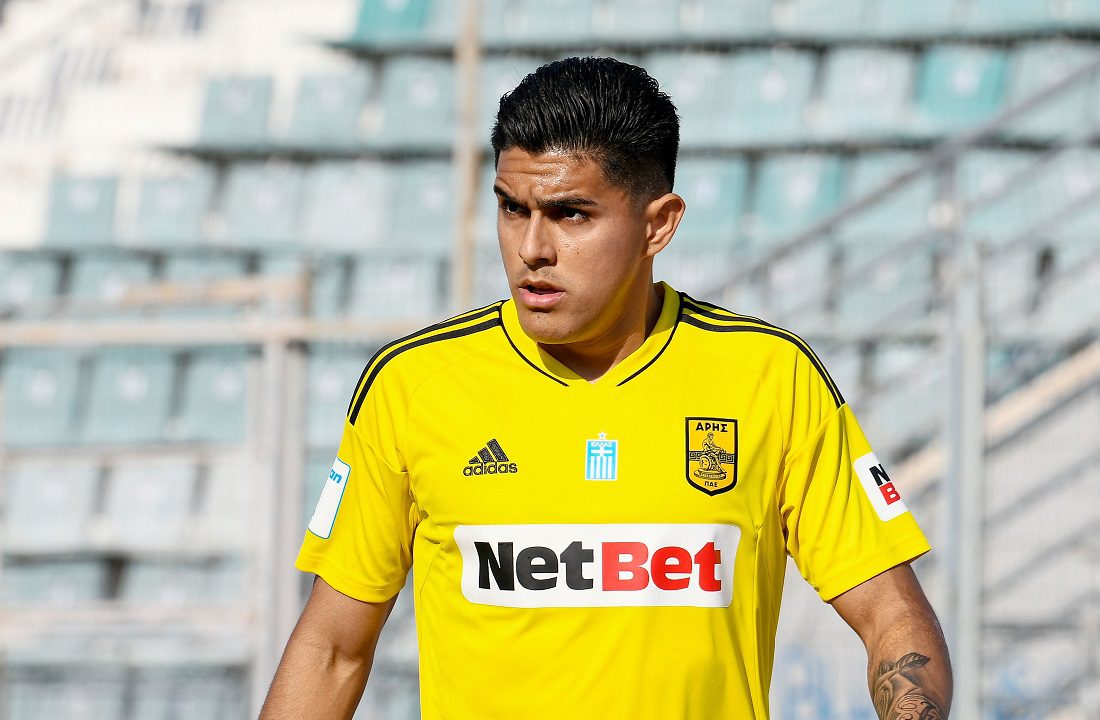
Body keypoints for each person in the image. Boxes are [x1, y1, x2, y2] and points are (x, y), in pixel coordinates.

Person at [260, 56, 951, 719]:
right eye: (512, 209)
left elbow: (891, 616)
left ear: (659, 224)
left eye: (571, 214)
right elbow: (332, 651)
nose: (531, 248)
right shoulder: (413, 386)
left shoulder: (771, 377)